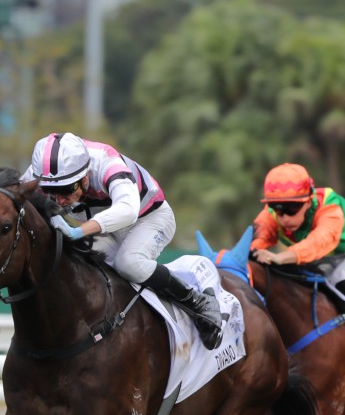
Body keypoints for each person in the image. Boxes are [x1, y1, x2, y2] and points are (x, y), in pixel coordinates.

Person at [23, 132, 224, 349]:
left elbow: (128, 211)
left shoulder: (106, 162)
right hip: (107, 229)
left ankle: (198, 301)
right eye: (51, 191)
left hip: (149, 218)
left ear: (85, 176)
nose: (60, 199)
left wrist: (79, 231)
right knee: (79, 266)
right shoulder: (40, 172)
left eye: (67, 190)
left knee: (129, 264)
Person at [249, 163, 345, 358]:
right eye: (277, 208)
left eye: (292, 208)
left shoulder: (330, 207)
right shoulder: (270, 216)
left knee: (342, 279)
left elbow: (319, 243)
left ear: (308, 201)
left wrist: (280, 257)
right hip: (325, 255)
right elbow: (256, 241)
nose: (284, 217)